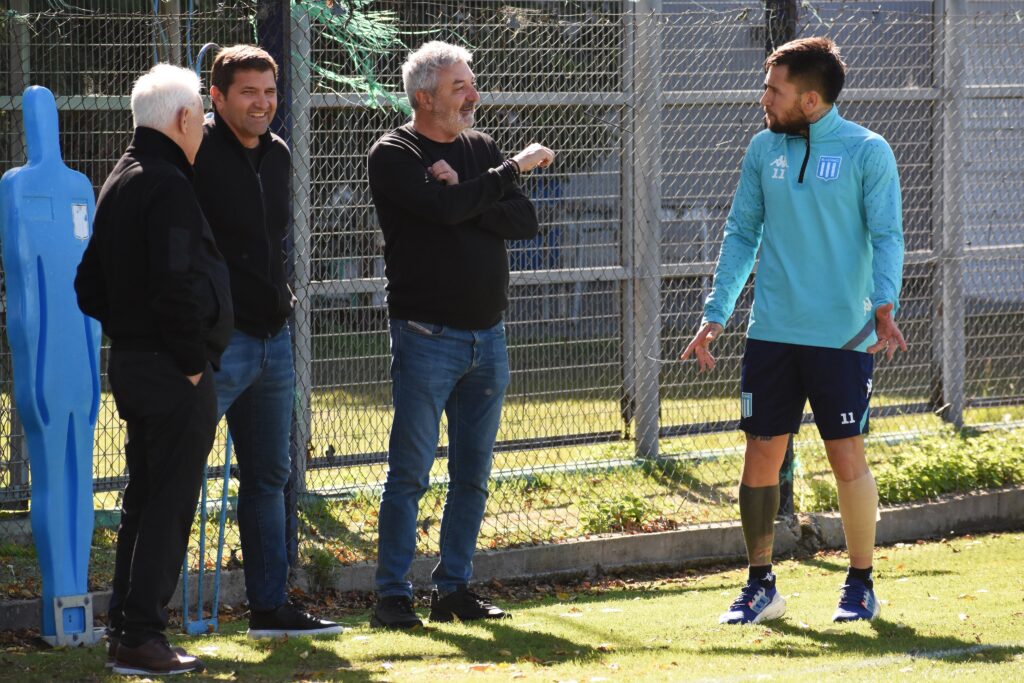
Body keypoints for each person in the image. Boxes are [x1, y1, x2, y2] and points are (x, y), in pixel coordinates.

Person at [681, 37, 906, 624]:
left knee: (845, 455)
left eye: (773, 89)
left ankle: (860, 583)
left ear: (810, 99)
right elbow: (741, 233)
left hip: (843, 336)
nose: (763, 98)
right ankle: (761, 586)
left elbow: (888, 236)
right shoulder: (762, 149)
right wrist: (716, 311)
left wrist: (884, 303)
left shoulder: (867, 151)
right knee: (760, 453)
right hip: (772, 332)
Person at [366, 40, 554, 629]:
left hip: (488, 338)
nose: (473, 95)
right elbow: (447, 214)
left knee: (472, 475)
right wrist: (507, 174)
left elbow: (524, 221)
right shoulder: (394, 152)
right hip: (426, 336)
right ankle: (393, 597)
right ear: (424, 98)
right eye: (459, 87)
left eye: (471, 83)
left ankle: (453, 591)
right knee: (411, 474)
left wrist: (464, 192)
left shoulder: (477, 150)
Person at [75, 64, 232, 675]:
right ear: (185, 118)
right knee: (168, 503)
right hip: (172, 371)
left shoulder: (120, 177)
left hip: (138, 364)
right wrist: (190, 361)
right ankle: (142, 635)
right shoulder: (166, 183)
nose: (205, 127)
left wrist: (132, 331)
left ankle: (124, 628)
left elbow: (89, 287)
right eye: (202, 116)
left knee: (144, 498)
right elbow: (173, 282)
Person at [192, 44, 341, 638]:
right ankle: (140, 618)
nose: (263, 104)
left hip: (272, 341)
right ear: (217, 97)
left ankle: (270, 610)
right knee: (173, 472)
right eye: (248, 93)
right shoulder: (193, 149)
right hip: (213, 345)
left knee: (268, 479)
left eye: (270, 92)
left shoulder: (278, 153)